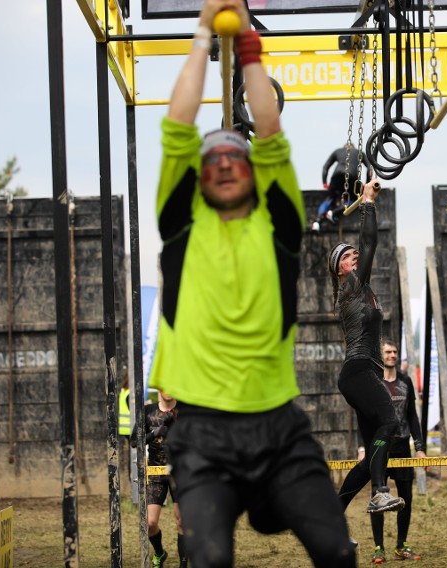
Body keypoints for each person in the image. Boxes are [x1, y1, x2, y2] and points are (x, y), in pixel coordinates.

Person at [149, 1, 355, 566]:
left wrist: (247, 43)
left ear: (254, 171)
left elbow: (268, 127)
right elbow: (177, 124)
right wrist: (200, 34)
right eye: (210, 157)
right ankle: (259, 506)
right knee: (209, 562)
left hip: (279, 430)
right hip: (201, 433)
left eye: (233, 157)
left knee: (339, 553)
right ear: (198, 175)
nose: (220, 162)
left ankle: (270, 503)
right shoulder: (181, 228)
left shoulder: (278, 225)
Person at [329, 179, 405, 517]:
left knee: (374, 451)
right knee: (390, 419)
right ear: (340, 270)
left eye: (352, 253)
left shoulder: (363, 288)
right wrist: (368, 202)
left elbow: (366, 247)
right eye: (346, 256)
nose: (353, 255)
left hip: (361, 372)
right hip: (358, 370)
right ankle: (379, 492)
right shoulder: (350, 286)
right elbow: (370, 242)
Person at [366, 338, 426, 563]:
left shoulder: (405, 382)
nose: (392, 355)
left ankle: (401, 546)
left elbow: (412, 416)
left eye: (394, 352)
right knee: (378, 497)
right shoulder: (373, 382)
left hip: (402, 447)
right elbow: (365, 416)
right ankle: (379, 548)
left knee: (406, 497)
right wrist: (363, 446)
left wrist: (420, 448)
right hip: (379, 447)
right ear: (381, 355)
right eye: (388, 352)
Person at [132, 390, 186, 568]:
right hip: (156, 472)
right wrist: (154, 433)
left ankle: (184, 564)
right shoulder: (148, 411)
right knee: (150, 522)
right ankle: (160, 553)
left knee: (182, 521)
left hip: (181, 473)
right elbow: (134, 441)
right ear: (159, 389)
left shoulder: (186, 410)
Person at [311, 144, 372, 232]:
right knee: (355, 200)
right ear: (353, 147)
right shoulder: (359, 153)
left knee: (330, 197)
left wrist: (325, 183)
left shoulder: (338, 151)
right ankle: (333, 212)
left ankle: (317, 222)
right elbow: (370, 168)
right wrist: (366, 184)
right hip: (352, 177)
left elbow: (325, 167)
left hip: (337, 175)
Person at [118, 369, 132, 494]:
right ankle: (134, 481)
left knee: (132, 456)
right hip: (131, 428)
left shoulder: (123, 391)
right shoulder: (130, 394)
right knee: (135, 456)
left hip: (125, 429)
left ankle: (132, 480)